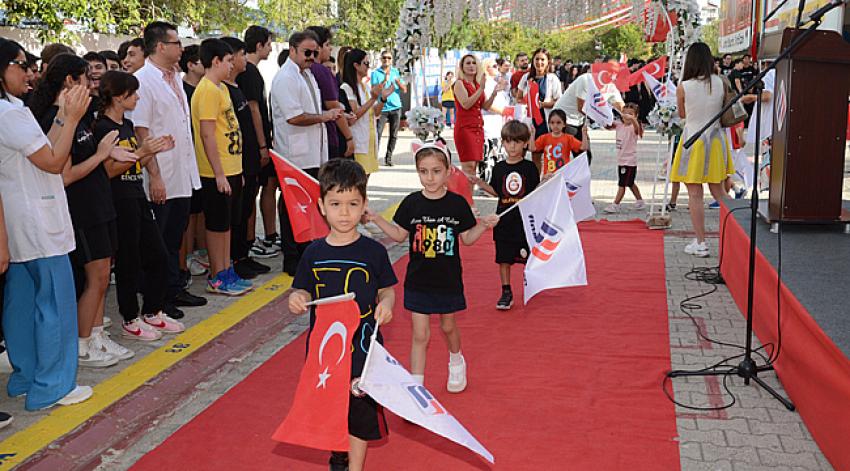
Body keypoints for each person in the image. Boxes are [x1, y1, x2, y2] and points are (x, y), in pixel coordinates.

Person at [0, 38, 94, 409]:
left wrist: (60, 115)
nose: (29, 72)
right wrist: (71, 118)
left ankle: (25, 377)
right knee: (54, 303)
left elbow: (46, 145)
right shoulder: (9, 114)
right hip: (38, 221)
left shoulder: (14, 110)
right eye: (21, 65)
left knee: (21, 302)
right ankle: (52, 385)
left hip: (22, 220)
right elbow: (55, 161)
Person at [288, 159, 397, 471]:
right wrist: (297, 299)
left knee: (360, 413)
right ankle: (339, 454)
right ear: (322, 206)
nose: (345, 212)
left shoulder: (373, 252)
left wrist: (387, 304)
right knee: (329, 409)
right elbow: (303, 291)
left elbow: (387, 289)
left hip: (363, 351)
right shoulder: (313, 253)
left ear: (364, 204)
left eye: (352, 204)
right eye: (336, 204)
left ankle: (354, 466)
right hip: (324, 356)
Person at [365, 142, 499, 392]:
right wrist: (376, 218)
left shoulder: (457, 204)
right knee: (420, 334)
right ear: (417, 172)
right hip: (418, 281)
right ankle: (417, 388)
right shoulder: (411, 203)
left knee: (448, 326)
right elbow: (398, 235)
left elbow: (467, 239)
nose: (430, 177)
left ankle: (456, 360)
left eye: (436, 171)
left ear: (448, 170)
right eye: (423, 171)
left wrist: (483, 226)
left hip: (447, 281)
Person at [29, 53, 125, 368]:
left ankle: (96, 335)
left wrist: (112, 153)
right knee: (95, 278)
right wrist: (101, 155)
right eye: (86, 77)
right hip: (82, 210)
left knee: (102, 274)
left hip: (99, 204)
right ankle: (82, 344)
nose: (91, 83)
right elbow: (64, 174)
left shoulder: (79, 117)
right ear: (70, 81)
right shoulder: (55, 120)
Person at [95, 70, 183, 342]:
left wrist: (152, 150)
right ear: (119, 97)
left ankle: (153, 310)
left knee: (157, 254)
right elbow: (108, 171)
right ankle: (130, 317)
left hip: (136, 196)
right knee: (128, 262)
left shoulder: (127, 126)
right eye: (132, 93)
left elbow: (133, 163)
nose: (136, 98)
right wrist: (144, 152)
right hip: (119, 202)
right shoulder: (102, 128)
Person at [131, 21, 207, 318]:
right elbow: (141, 131)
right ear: (160, 46)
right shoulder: (143, 80)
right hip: (161, 174)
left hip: (182, 172)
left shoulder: (175, 76)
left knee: (175, 236)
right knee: (158, 241)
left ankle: (173, 288)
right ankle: (157, 299)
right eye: (176, 42)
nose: (181, 47)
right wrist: (156, 175)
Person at [270, 30, 343, 274]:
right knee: (293, 208)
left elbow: (313, 110)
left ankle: (306, 253)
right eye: (306, 52)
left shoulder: (307, 75)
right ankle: (292, 258)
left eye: (314, 52)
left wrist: (332, 116)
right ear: (292, 50)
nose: (311, 57)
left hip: (313, 153)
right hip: (295, 155)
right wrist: (325, 116)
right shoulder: (285, 78)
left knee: (308, 206)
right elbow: (294, 117)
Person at [191, 38, 251, 296]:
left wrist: (236, 170)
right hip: (216, 171)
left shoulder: (222, 88)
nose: (231, 65)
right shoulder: (206, 90)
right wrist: (218, 173)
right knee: (216, 225)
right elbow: (206, 135)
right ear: (215, 61)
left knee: (227, 224)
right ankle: (217, 276)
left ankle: (227, 270)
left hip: (232, 166)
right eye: (227, 61)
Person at [671, 42, 734, 258]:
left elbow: (682, 114)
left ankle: (701, 242)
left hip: (693, 140)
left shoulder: (684, 86)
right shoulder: (720, 82)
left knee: (695, 193)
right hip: (716, 141)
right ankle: (737, 236)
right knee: (720, 192)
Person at [471, 121, 539, 310]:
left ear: (525, 143)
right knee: (503, 258)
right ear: (503, 143)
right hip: (503, 219)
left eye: (517, 142)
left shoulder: (530, 167)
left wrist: (546, 182)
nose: (512, 146)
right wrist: (480, 183)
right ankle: (506, 290)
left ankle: (531, 284)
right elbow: (497, 192)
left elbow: (534, 192)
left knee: (528, 256)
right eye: (508, 142)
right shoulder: (500, 167)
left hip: (524, 220)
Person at [220, 36, 271, 280]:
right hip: (240, 157)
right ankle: (234, 259)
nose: (242, 61)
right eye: (238, 56)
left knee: (247, 204)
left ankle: (242, 255)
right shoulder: (222, 90)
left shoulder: (236, 86)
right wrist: (263, 145)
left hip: (248, 154)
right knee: (238, 211)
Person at [238, 25, 279, 260]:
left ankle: (253, 240)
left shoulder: (251, 72)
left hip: (258, 142)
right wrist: (263, 145)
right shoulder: (250, 73)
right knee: (254, 190)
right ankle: (250, 241)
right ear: (259, 45)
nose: (271, 49)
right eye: (269, 44)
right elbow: (254, 108)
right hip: (254, 145)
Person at [554, 58, 625, 164]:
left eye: (615, 71)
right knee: (567, 158)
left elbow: (620, 106)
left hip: (578, 120)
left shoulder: (611, 87)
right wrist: (603, 122)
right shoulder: (586, 79)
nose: (612, 73)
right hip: (563, 118)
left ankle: (578, 179)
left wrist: (631, 119)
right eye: (609, 69)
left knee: (585, 157)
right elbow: (581, 107)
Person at [178, 44, 210, 279]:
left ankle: (200, 252)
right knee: (189, 213)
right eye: (200, 61)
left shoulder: (207, 89)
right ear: (190, 65)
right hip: (188, 159)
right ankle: (187, 257)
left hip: (203, 159)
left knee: (201, 209)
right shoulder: (181, 89)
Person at [453, 54, 506, 189]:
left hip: (478, 127)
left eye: (474, 63)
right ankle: (466, 202)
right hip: (465, 128)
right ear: (462, 67)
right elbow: (466, 104)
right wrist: (481, 89)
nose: (471, 66)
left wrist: (494, 93)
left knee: (474, 166)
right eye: (468, 63)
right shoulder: (459, 83)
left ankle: (469, 200)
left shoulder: (477, 84)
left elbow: (485, 106)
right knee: (468, 166)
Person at [340, 49, 392, 178]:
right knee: (357, 180)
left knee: (365, 179)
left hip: (369, 141)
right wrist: (373, 98)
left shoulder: (365, 87)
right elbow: (354, 115)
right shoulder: (347, 88)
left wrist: (382, 99)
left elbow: (376, 112)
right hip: (358, 142)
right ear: (356, 66)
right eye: (366, 63)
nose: (368, 67)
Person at [307, 26, 355, 161]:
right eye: (327, 45)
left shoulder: (303, 70)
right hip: (327, 137)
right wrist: (349, 137)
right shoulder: (321, 71)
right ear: (317, 47)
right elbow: (333, 106)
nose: (330, 49)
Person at [604, 103, 645, 213]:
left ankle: (615, 204)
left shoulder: (634, 127)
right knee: (630, 183)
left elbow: (638, 130)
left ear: (636, 116)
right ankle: (640, 201)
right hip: (621, 160)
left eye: (631, 114)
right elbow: (608, 125)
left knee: (622, 184)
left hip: (630, 161)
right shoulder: (619, 125)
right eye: (625, 113)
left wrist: (633, 120)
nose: (627, 116)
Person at [371, 50, 406, 167]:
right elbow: (374, 90)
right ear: (381, 59)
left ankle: (389, 158)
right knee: (378, 134)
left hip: (396, 107)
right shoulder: (375, 73)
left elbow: (404, 89)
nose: (387, 60)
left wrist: (397, 81)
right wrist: (385, 80)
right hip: (382, 108)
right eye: (384, 58)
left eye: (389, 58)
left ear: (392, 60)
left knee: (394, 134)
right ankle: (374, 158)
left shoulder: (395, 72)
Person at [517, 48, 563, 136]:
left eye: (542, 59)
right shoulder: (526, 77)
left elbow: (558, 101)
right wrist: (528, 104)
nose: (539, 62)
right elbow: (518, 98)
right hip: (529, 119)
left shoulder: (552, 78)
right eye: (537, 59)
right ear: (533, 60)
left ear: (548, 62)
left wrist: (542, 104)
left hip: (546, 120)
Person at [530, 108, 587, 175]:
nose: (555, 125)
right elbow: (532, 148)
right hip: (548, 175)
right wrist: (532, 134)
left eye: (558, 123)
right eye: (552, 123)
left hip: (563, 175)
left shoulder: (568, 138)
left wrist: (584, 134)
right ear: (549, 124)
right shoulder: (544, 138)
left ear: (564, 124)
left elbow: (583, 147)